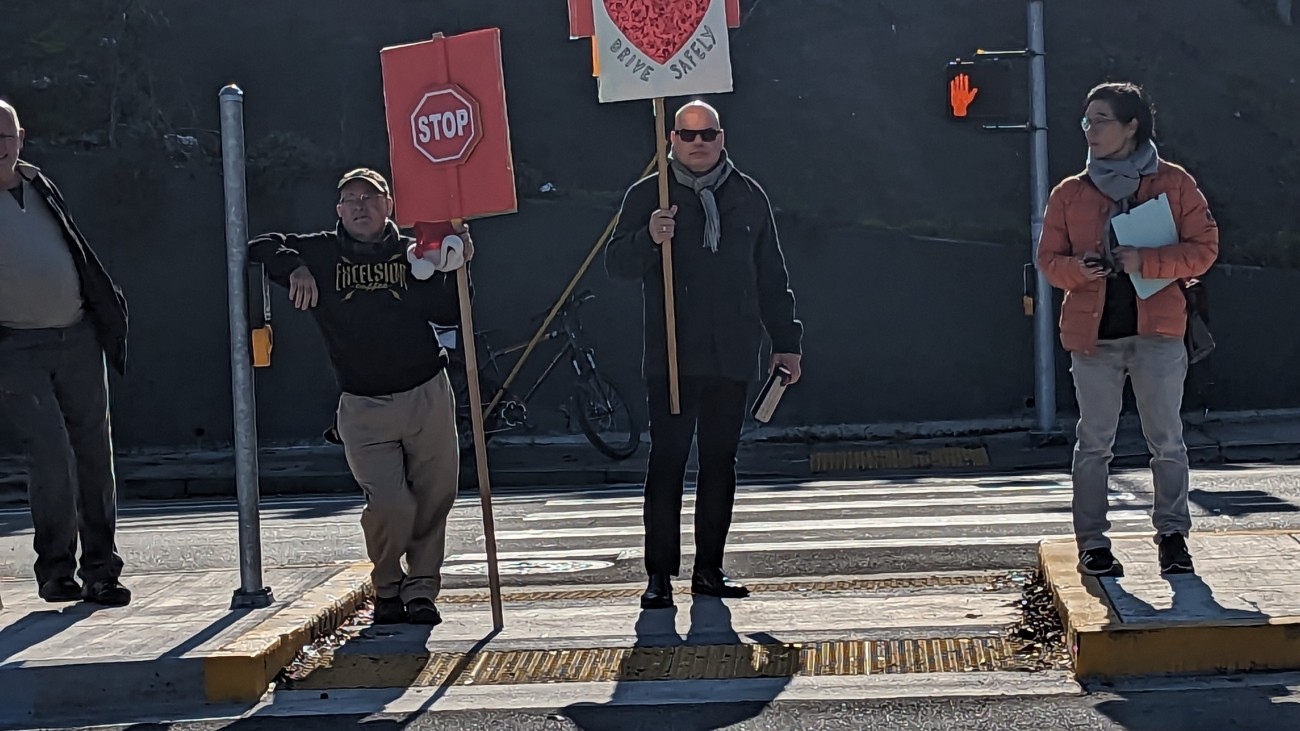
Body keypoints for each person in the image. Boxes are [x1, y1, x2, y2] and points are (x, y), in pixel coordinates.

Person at [249, 168, 471, 625]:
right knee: (390, 504)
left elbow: (448, 311)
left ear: (390, 204)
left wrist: (457, 263)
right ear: (338, 211)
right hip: (363, 403)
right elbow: (258, 245)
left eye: (370, 198)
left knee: (435, 497)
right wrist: (297, 267)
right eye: (351, 200)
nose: (361, 207)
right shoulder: (322, 251)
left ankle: (422, 589)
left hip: (426, 390)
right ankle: (387, 584)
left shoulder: (412, 249)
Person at [606, 101, 803, 609]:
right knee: (667, 462)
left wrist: (787, 342)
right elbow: (616, 264)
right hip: (671, 355)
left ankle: (708, 569)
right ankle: (659, 576)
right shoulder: (649, 195)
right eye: (687, 135)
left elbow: (771, 277)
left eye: (707, 134)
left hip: (732, 353)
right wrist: (649, 237)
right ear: (670, 138)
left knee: (721, 461)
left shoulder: (747, 196)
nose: (698, 143)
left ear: (722, 137)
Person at [1037, 82, 1218, 578]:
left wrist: (1148, 261)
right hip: (1092, 337)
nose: (1090, 131)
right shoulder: (1070, 192)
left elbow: (1204, 249)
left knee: (1167, 440)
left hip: (1158, 330)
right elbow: (1049, 262)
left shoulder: (1173, 183)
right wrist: (1081, 269)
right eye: (1086, 121)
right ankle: (1093, 543)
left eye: (1101, 120)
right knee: (1094, 442)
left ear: (1131, 125)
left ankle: (1173, 536)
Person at [0, 99, 131, 606]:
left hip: (77, 335)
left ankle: (102, 571)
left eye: (6, 136)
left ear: (21, 136)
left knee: (95, 455)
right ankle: (55, 570)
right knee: (50, 456)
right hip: (16, 346)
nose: (0, 148)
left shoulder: (39, 183)